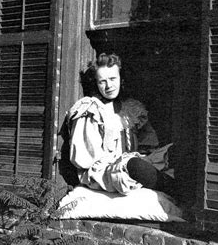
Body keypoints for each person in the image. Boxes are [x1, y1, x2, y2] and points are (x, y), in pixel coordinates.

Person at [67, 53, 173, 195]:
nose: (109, 85)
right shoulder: (91, 110)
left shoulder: (131, 109)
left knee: (173, 151)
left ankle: (171, 186)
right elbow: (84, 159)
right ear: (96, 83)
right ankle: (173, 189)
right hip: (103, 171)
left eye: (112, 79)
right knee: (135, 166)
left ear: (121, 79)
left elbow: (149, 144)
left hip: (131, 162)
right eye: (102, 81)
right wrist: (125, 162)